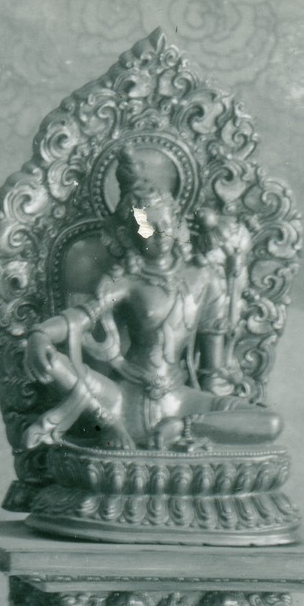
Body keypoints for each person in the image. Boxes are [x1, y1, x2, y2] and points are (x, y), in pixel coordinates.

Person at [24, 147, 282, 451]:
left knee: (271, 424)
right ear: (127, 235)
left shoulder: (204, 278)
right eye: (147, 229)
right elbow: (79, 319)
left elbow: (211, 374)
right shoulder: (126, 283)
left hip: (181, 402)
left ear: (178, 223)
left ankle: (181, 429)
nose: (159, 235)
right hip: (122, 399)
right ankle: (107, 421)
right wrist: (40, 335)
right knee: (54, 362)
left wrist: (204, 419)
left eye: (165, 225)